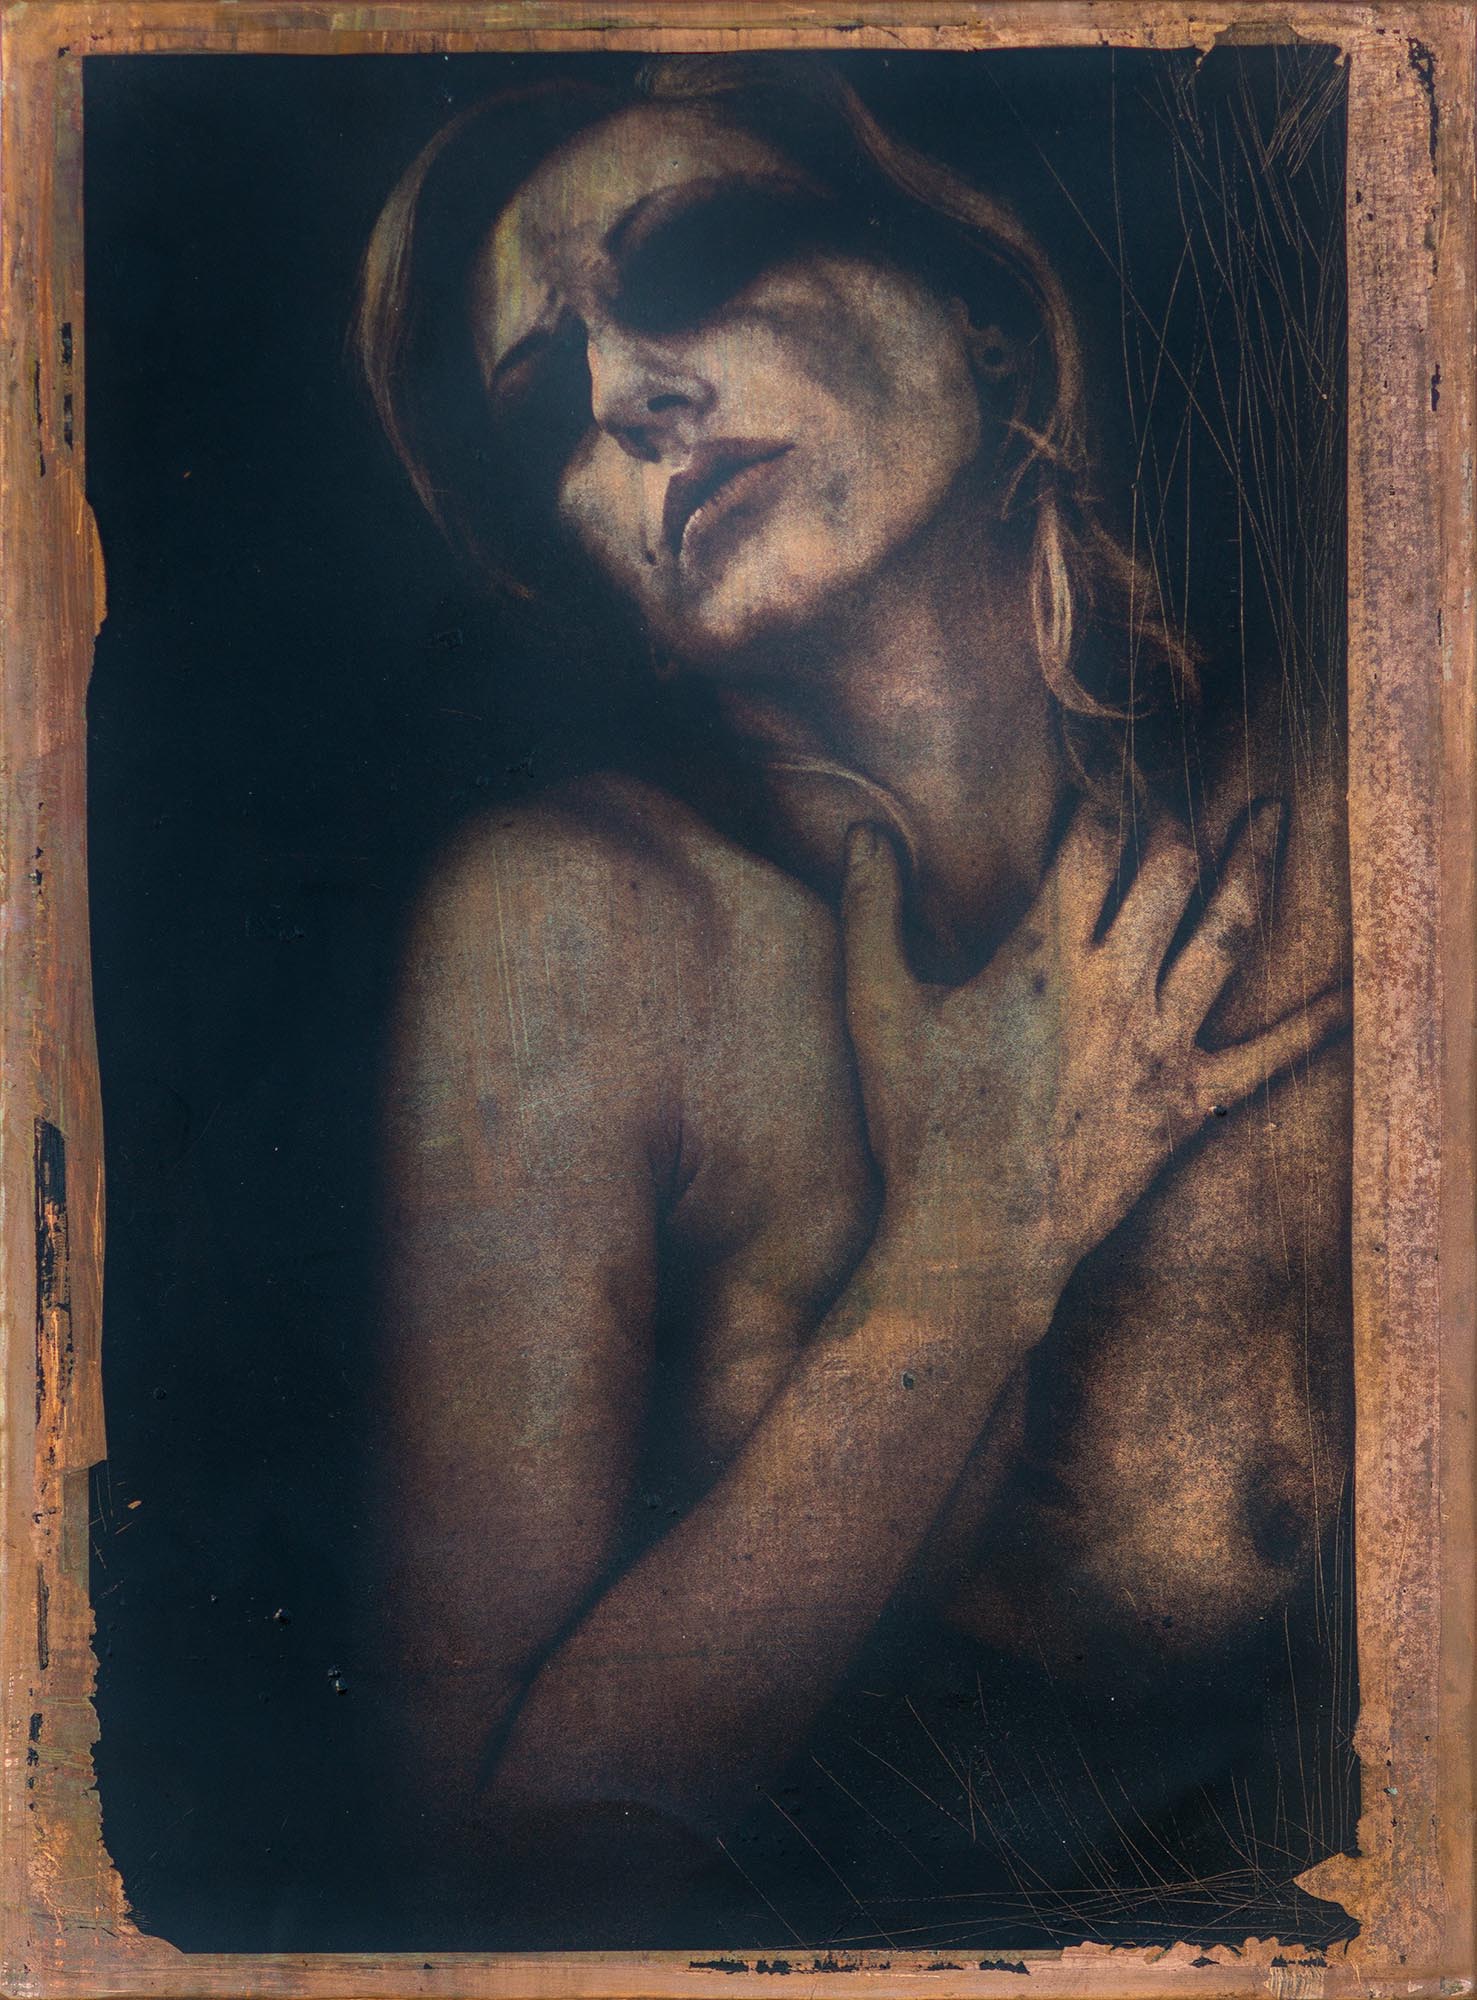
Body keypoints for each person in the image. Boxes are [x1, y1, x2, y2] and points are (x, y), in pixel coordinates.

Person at [353, 55, 1353, 1946]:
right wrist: (976, 1240)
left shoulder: (1344, 801)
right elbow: (489, 1866)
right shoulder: (587, 932)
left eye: (692, 260)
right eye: (544, 410)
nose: (622, 398)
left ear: (980, 309)